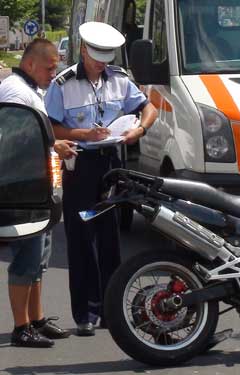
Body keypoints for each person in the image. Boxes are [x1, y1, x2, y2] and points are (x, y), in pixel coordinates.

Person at [44, 22, 158, 337]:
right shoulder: (63, 84)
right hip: (80, 164)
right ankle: (86, 313)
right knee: (82, 238)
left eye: (106, 57)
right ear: (82, 50)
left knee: (110, 238)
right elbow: (50, 129)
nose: (102, 63)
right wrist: (83, 134)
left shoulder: (120, 79)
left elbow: (149, 108)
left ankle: (111, 310)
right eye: (97, 57)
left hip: (112, 164)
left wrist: (140, 130)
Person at [0, 38, 75, 348]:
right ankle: (21, 328)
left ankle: (36, 320)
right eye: (49, 67)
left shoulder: (30, 89)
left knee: (39, 258)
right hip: (23, 189)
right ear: (30, 63)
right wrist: (52, 145)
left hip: (38, 186)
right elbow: (15, 140)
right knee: (27, 258)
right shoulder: (16, 92)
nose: (52, 73)